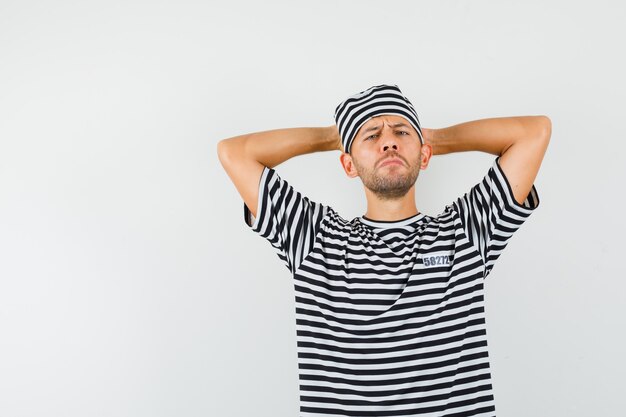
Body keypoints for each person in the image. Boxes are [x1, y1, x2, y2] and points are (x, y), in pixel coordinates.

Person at [217, 84, 550, 417]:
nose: (389, 141)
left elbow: (535, 133)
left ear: (424, 155)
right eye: (371, 136)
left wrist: (428, 137)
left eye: (401, 132)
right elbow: (234, 153)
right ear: (348, 165)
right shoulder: (314, 239)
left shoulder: (465, 231)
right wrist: (333, 136)